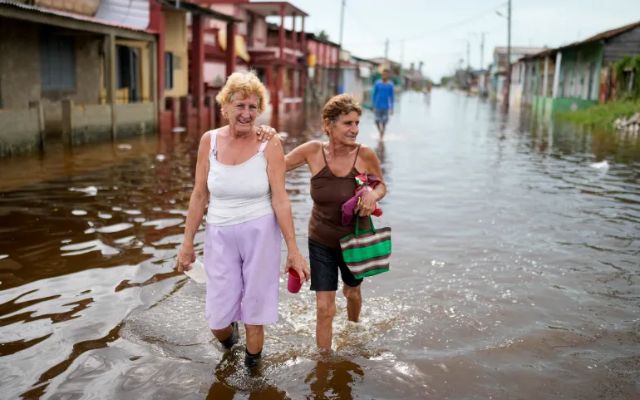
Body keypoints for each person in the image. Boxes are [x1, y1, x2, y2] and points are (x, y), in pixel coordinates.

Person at [175, 71, 310, 368]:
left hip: (260, 233)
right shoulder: (208, 141)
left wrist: (293, 250)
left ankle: (252, 373)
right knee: (218, 316)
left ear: (260, 110)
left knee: (255, 311)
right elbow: (199, 195)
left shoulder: (269, 143)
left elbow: (280, 198)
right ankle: (229, 343)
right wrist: (187, 244)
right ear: (225, 108)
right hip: (219, 234)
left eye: (253, 107)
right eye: (240, 106)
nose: (247, 114)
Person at [284, 94, 387, 352]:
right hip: (320, 239)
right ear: (328, 125)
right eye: (347, 123)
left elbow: (381, 185)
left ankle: (354, 329)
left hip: (354, 240)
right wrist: (265, 137)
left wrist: (373, 195)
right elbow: (276, 166)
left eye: (356, 123)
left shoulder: (364, 154)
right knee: (323, 307)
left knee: (351, 293)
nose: (354, 129)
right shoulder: (311, 151)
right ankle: (323, 361)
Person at [371, 69, 395, 136]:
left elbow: (392, 97)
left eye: (386, 74)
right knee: (376, 121)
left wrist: (392, 108)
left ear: (388, 75)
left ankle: (382, 133)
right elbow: (374, 94)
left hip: (386, 106)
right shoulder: (377, 83)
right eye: (383, 74)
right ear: (381, 75)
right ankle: (380, 131)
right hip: (377, 105)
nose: (384, 75)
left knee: (384, 121)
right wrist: (372, 106)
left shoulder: (390, 85)